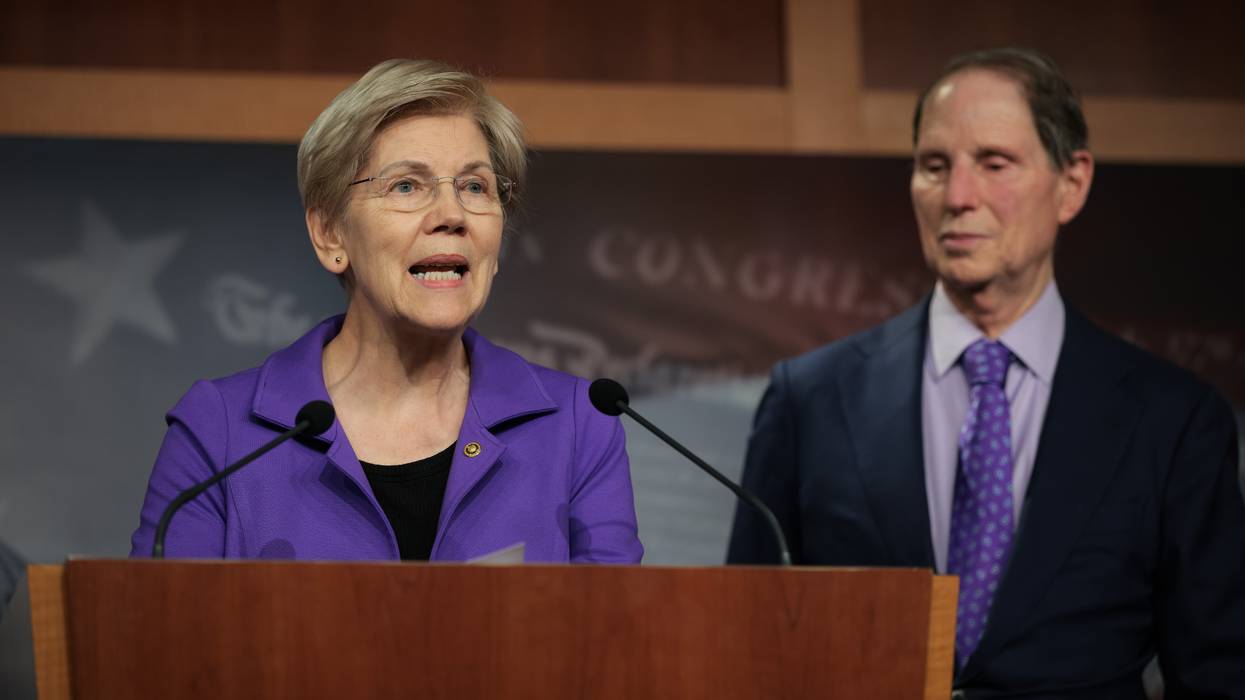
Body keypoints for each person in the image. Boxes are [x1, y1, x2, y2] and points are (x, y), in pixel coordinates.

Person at [727, 47, 1245, 698]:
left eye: (993, 163)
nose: (957, 197)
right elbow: (744, 651)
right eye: (933, 166)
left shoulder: (1171, 419)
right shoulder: (809, 399)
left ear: (1071, 184)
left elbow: (1218, 674)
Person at [131, 59, 643, 564]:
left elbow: (616, 640)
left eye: (474, 187)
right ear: (330, 233)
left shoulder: (580, 427)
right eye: (406, 186)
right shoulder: (222, 432)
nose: (452, 215)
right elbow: (161, 637)